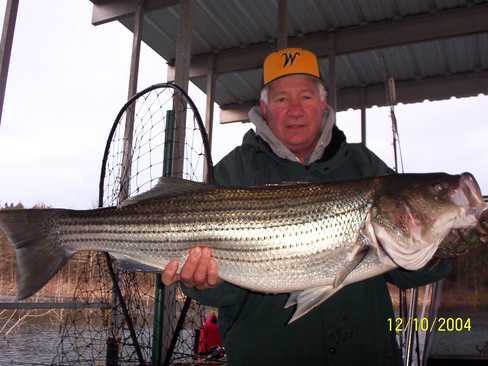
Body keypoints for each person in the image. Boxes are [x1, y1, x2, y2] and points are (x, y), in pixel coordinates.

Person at [162, 48, 450, 365]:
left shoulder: (363, 164)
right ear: (264, 107)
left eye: (306, 97)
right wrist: (203, 284)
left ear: (323, 104)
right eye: (282, 99)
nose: (295, 110)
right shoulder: (235, 170)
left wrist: (446, 243)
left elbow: (407, 274)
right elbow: (225, 295)